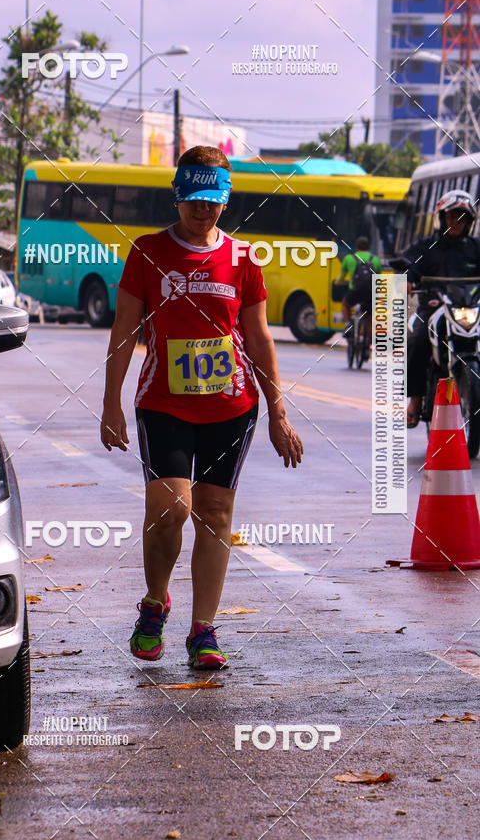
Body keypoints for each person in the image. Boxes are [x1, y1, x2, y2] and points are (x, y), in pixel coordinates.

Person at [100, 145, 303, 671]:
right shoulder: (147, 252)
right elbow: (123, 332)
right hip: (163, 404)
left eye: (212, 201)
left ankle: (204, 629)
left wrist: (278, 413)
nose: (202, 210)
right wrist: (110, 404)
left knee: (215, 513)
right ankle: (155, 601)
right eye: (192, 199)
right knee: (171, 509)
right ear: (177, 195)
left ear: (226, 199)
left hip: (232, 406)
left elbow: (258, 339)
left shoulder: (243, 259)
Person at [401, 189, 480, 428]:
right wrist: (406, 279)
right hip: (433, 310)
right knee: (416, 339)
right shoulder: (426, 246)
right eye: (451, 216)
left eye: (461, 217)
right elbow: (408, 266)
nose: (455, 221)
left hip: (469, 310)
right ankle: (415, 400)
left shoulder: (475, 247)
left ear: (468, 221)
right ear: (442, 217)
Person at [337, 235, 381, 343]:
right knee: (369, 318)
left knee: (345, 304)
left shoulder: (349, 258)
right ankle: (367, 347)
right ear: (369, 247)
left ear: (356, 247)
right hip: (369, 293)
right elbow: (378, 279)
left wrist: (338, 282)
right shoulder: (375, 260)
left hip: (355, 291)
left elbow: (340, 278)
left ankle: (348, 325)